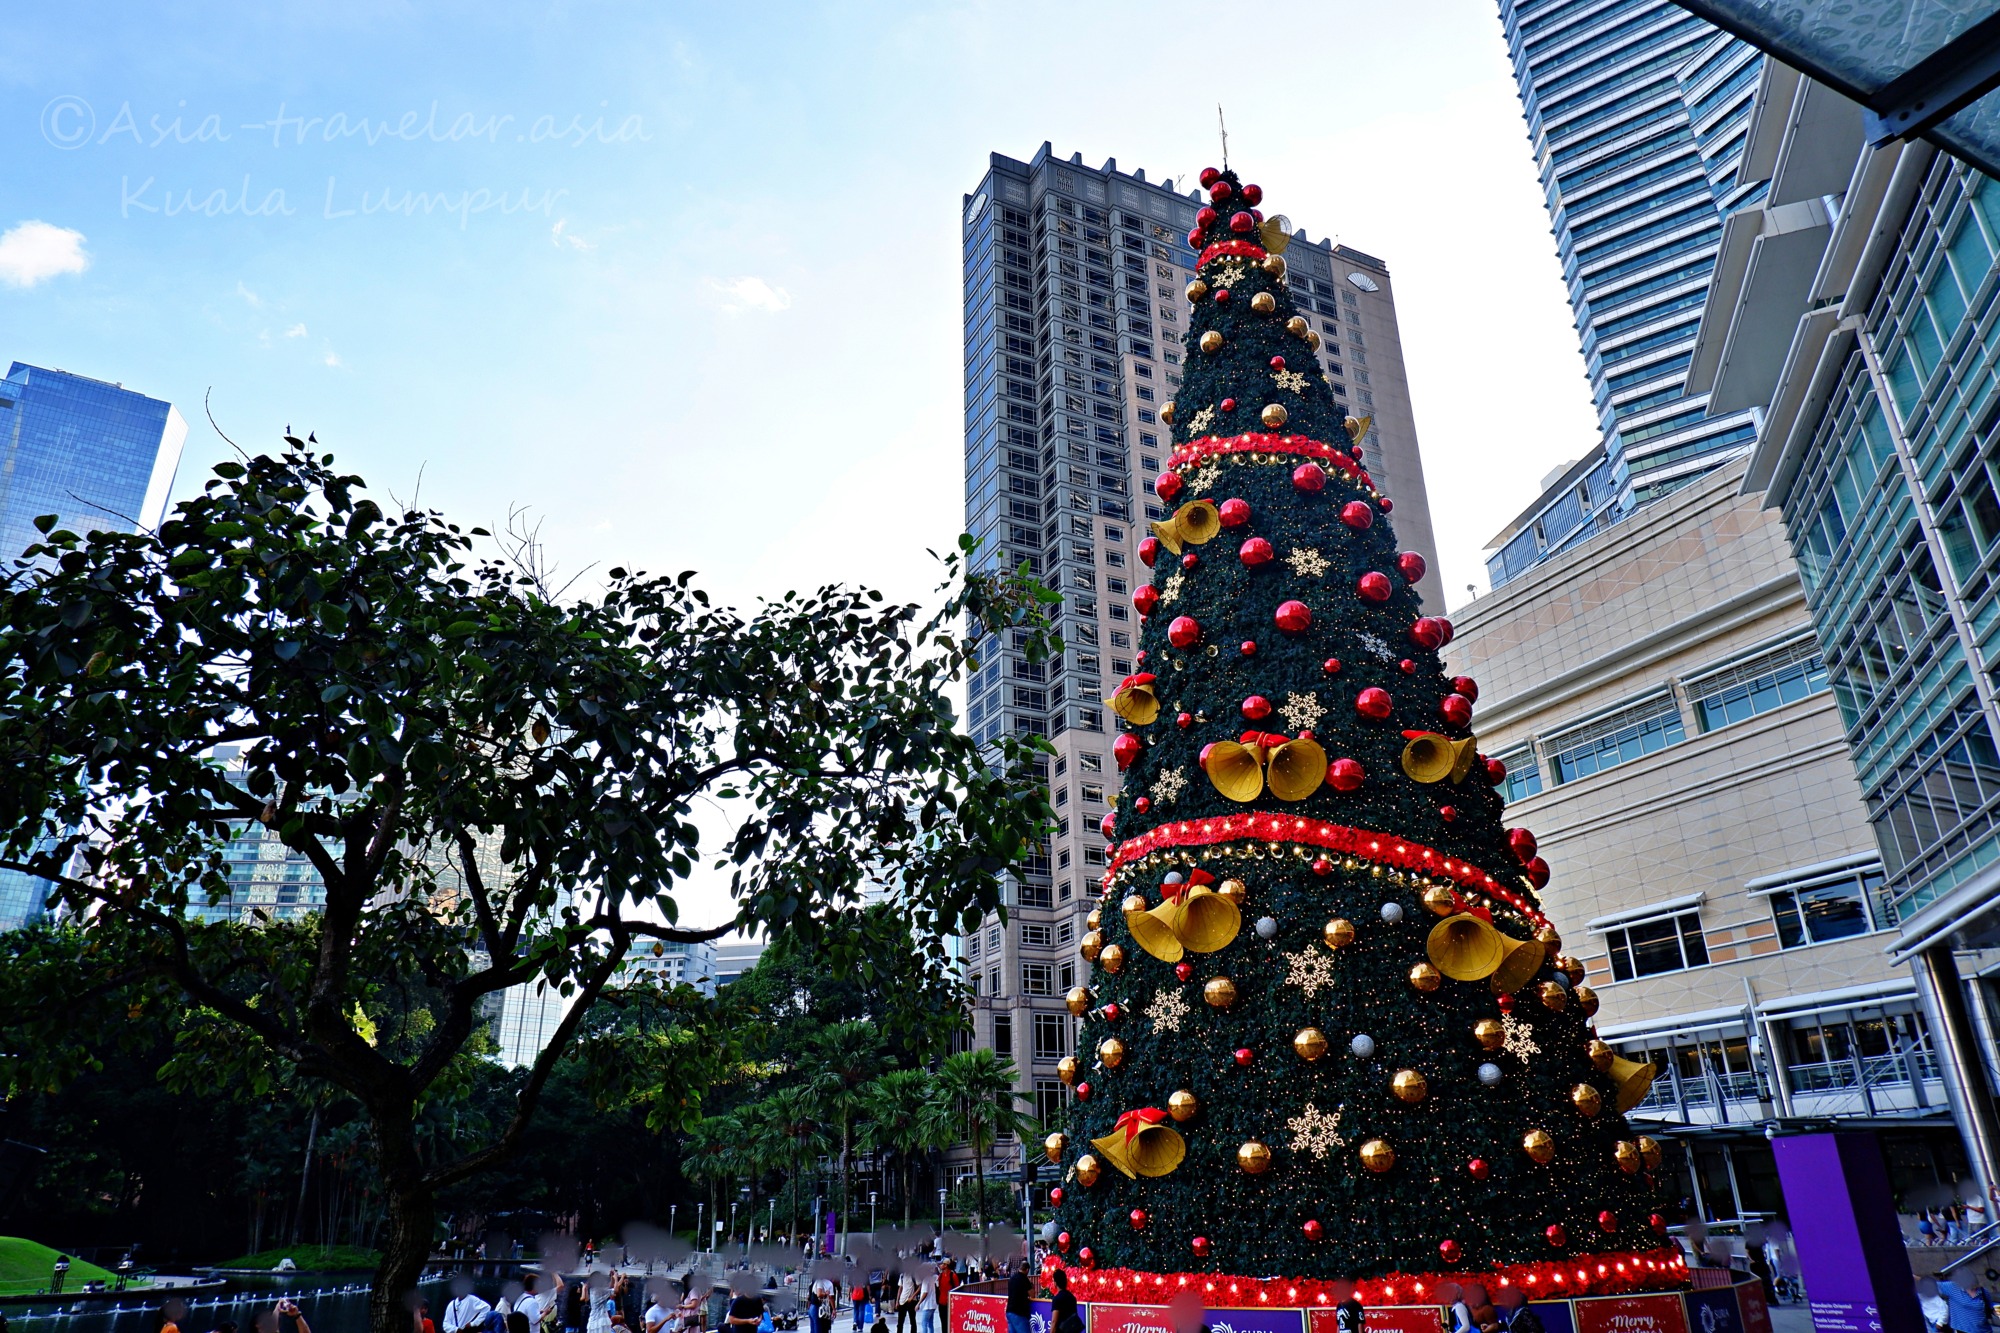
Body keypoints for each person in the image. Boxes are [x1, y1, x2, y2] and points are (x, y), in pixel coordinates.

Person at [1940, 1267, 1992, 1333]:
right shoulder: (1952, 1287)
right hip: (1963, 1330)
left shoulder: (1983, 1291)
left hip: (1984, 1330)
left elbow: (1991, 1307)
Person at [1005, 1260, 1033, 1333]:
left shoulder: (1012, 1278)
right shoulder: (1024, 1279)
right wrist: (1031, 1284)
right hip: (1019, 1313)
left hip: (1009, 1311)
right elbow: (1032, 1295)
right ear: (1027, 1270)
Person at [916, 1268, 941, 1333]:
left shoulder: (925, 1280)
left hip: (927, 1305)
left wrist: (918, 1303)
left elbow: (925, 1293)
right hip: (933, 1304)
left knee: (924, 1324)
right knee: (930, 1324)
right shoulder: (932, 1278)